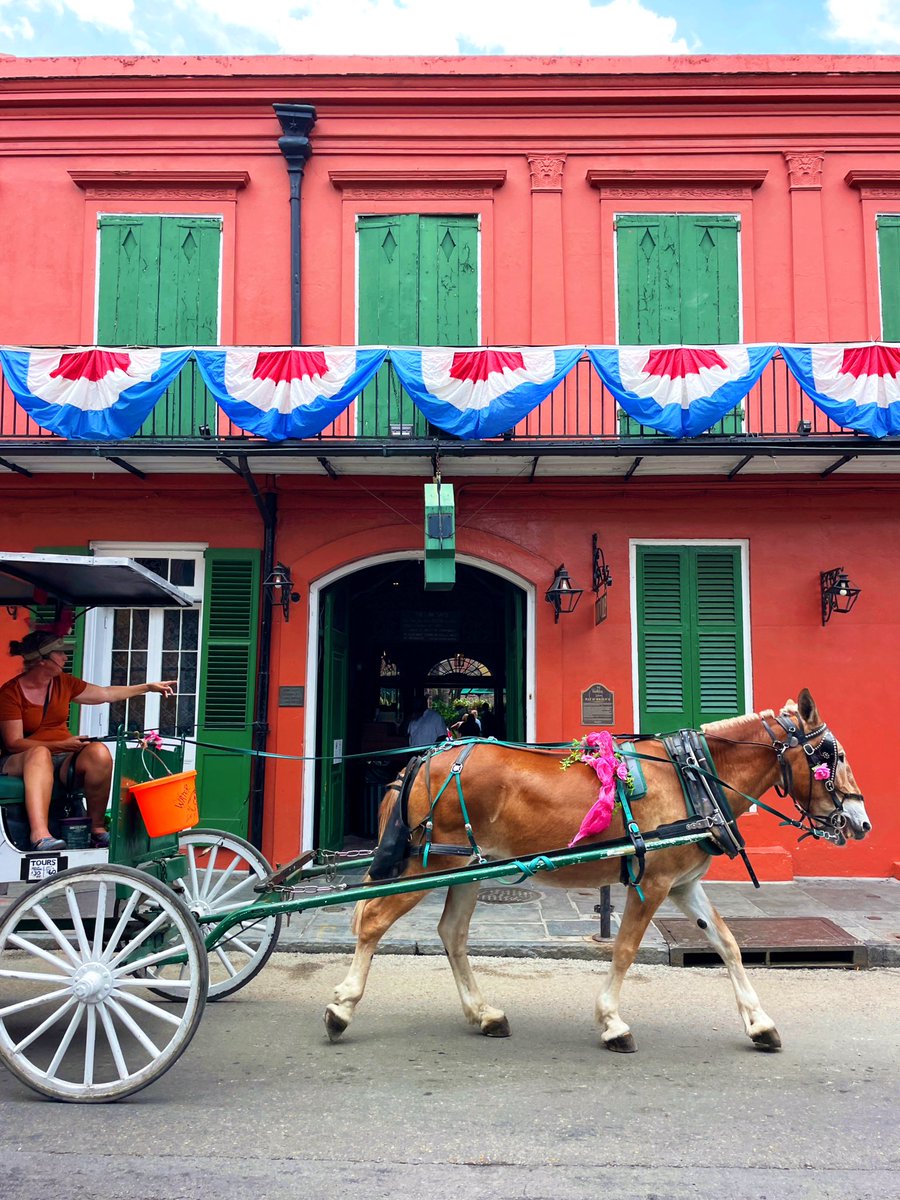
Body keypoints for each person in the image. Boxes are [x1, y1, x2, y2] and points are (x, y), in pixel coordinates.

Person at [0, 629, 176, 852]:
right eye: (60, 653)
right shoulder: (10, 693)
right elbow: (13, 742)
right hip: (19, 760)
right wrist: (60, 745)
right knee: (39, 753)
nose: (65, 657)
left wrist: (147, 688)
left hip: (61, 758)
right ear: (42, 660)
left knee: (98, 752)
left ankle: (97, 829)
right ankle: (40, 835)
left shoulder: (64, 682)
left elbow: (105, 694)